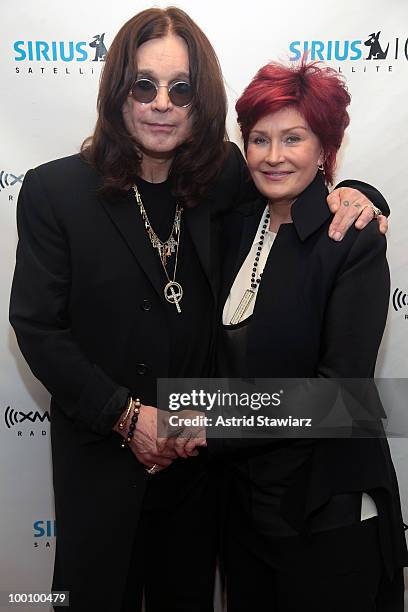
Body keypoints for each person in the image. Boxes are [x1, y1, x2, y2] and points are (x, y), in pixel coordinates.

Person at [9, 7, 390, 612]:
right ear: (118, 91)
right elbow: (38, 328)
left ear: (199, 98)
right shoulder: (55, 190)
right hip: (101, 460)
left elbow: (296, 186)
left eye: (180, 88)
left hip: (202, 473)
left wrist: (361, 196)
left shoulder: (223, 177)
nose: (161, 103)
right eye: (144, 85)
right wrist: (127, 418)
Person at [211, 61, 407, 611]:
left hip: (324, 511)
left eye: (293, 138)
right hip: (244, 508)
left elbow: (337, 396)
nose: (274, 156)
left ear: (325, 149)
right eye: (259, 139)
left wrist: (206, 424)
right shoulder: (236, 223)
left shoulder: (352, 240)